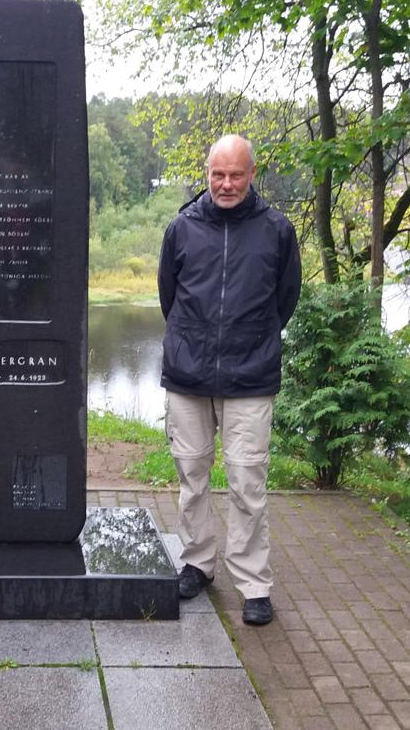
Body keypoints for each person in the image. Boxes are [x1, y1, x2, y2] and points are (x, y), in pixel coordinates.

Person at [157, 134, 301, 626]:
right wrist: (194, 341)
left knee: (247, 482)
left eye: (235, 174)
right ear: (206, 174)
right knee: (191, 477)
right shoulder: (181, 228)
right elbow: (168, 298)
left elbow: (286, 298)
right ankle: (197, 562)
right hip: (187, 375)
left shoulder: (276, 230)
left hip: (250, 377)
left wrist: (250, 339)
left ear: (251, 175)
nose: (225, 184)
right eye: (218, 174)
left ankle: (254, 585)